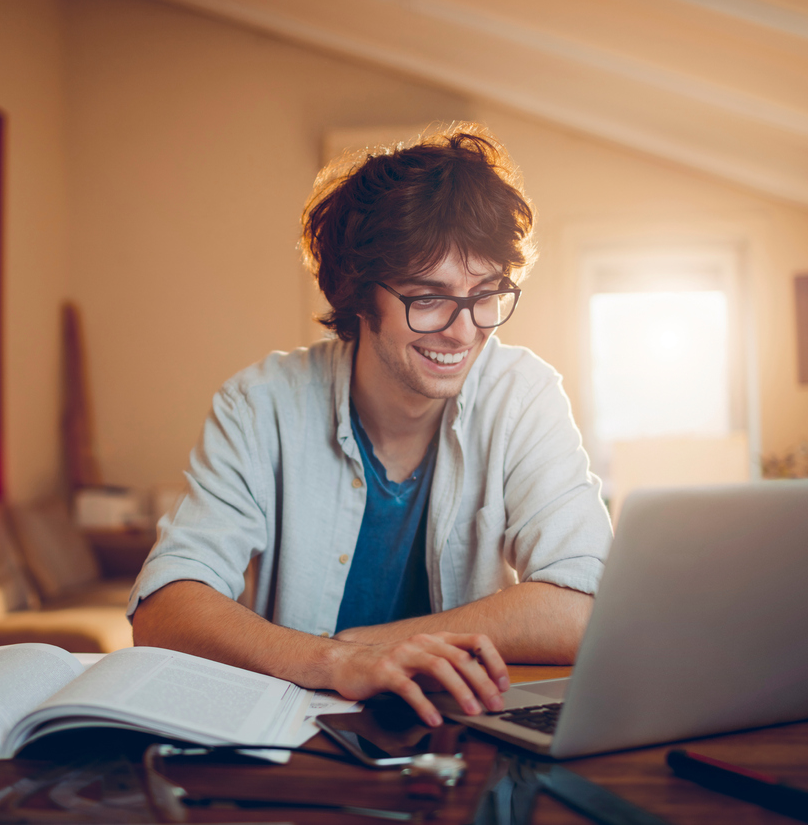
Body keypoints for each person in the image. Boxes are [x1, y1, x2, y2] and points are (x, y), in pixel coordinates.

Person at [128, 124, 611, 727]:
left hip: (465, 736)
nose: (463, 331)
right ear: (359, 296)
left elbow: (586, 606)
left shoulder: (523, 394)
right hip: (299, 741)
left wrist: (368, 643)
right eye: (427, 298)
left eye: (485, 293)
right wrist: (332, 662)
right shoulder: (260, 405)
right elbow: (165, 607)